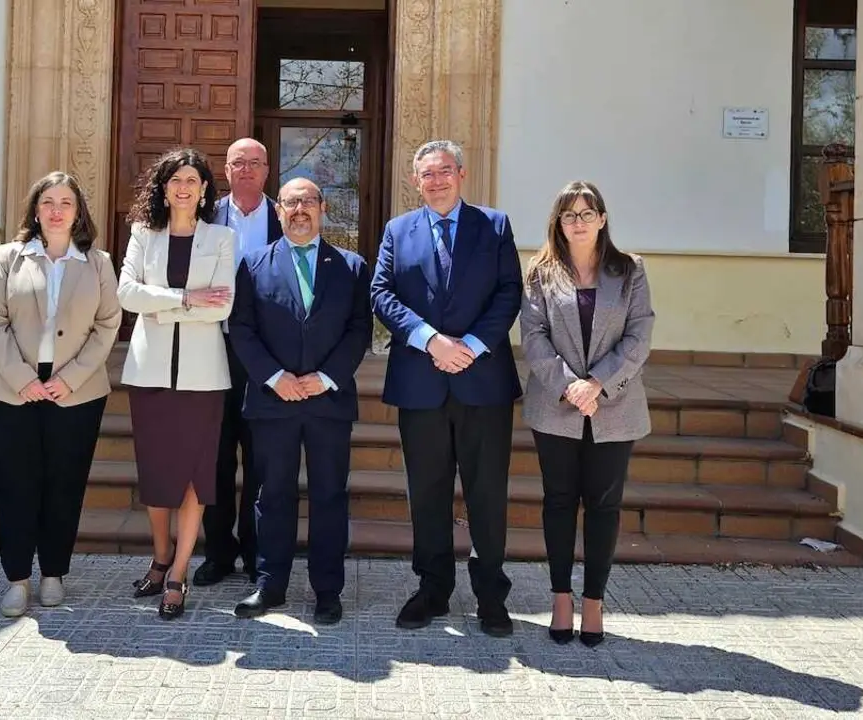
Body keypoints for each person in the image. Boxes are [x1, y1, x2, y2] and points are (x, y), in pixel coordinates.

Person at [370, 139, 523, 637]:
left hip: (483, 383)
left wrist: (473, 345)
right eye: (427, 174)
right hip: (421, 382)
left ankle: (490, 597)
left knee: (486, 494)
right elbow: (381, 292)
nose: (436, 181)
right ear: (416, 182)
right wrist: (430, 340)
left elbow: (508, 292)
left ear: (462, 174)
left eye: (445, 172)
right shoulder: (398, 230)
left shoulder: (494, 226)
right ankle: (432, 589)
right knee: (428, 494)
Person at [227, 178, 372, 625]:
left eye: (308, 201)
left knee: (330, 495)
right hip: (274, 402)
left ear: (323, 208)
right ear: (278, 211)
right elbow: (242, 329)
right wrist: (276, 378)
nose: (300, 210)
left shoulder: (351, 266)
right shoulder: (253, 264)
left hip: (329, 402)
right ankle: (270, 586)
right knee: (273, 496)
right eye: (290, 203)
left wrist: (325, 378)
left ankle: (327, 590)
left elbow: (358, 329)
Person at [0, 170, 121, 617]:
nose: (56, 210)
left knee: (64, 483)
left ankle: (54, 572)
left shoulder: (98, 263)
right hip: (11, 390)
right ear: (35, 211)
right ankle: (17, 578)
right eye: (48, 202)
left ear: (79, 214)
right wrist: (22, 378)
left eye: (66, 203)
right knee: (15, 484)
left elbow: (107, 325)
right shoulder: (9, 257)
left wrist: (70, 378)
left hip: (75, 393)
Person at [520, 180, 654, 647]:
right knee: (558, 501)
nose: (578, 221)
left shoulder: (630, 270)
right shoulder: (540, 272)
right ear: (558, 222)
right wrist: (570, 385)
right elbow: (533, 336)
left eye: (586, 212)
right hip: (556, 406)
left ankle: (594, 601)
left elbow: (639, 336)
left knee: (603, 505)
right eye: (568, 214)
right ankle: (561, 598)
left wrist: (597, 383)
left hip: (613, 406)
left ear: (602, 219)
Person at [117, 147, 236, 620]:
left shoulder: (222, 238)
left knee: (194, 474)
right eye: (175, 180)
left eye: (192, 180)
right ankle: (160, 552)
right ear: (162, 189)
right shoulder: (143, 235)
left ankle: (178, 572)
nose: (183, 187)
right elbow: (128, 294)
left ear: (205, 189)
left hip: (203, 377)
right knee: (157, 470)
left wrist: (161, 302)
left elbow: (222, 307)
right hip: (149, 373)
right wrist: (187, 297)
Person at [196, 137, 284, 587]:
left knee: (261, 459)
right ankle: (218, 551)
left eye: (255, 163)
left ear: (268, 170)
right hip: (211, 349)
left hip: (267, 357)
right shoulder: (204, 217)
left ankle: (254, 551)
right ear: (225, 171)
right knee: (214, 456)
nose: (246, 169)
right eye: (238, 163)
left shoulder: (285, 216)